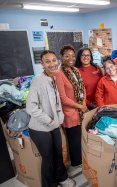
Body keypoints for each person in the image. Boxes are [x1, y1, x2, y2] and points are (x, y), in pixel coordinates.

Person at [26, 50, 75, 187]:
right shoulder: (38, 80)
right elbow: (31, 107)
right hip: (40, 128)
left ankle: (62, 178)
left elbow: (56, 102)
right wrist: (48, 120)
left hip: (53, 125)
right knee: (48, 158)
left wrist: (59, 118)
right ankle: (49, 184)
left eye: (54, 60)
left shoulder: (53, 77)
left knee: (58, 154)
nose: (52, 64)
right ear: (42, 64)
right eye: (47, 61)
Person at [55, 45, 88, 168]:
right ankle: (77, 164)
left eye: (73, 56)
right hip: (70, 113)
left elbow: (83, 88)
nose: (71, 58)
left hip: (81, 110)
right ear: (61, 57)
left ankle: (83, 160)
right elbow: (63, 98)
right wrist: (79, 106)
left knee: (81, 138)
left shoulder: (75, 70)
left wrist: (83, 103)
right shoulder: (59, 73)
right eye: (67, 56)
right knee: (74, 142)